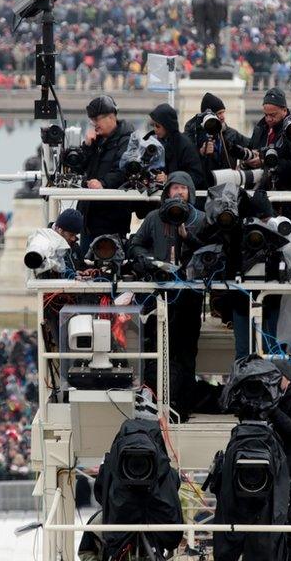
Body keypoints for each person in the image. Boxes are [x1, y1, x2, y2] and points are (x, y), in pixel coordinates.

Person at [126, 172, 205, 418]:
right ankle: (159, 404)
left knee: (186, 353)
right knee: (160, 351)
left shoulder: (200, 219)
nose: (179, 192)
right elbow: (135, 244)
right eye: (175, 188)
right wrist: (149, 262)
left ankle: (183, 407)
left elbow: (209, 250)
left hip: (190, 296)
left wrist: (187, 237)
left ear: (190, 191)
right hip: (160, 295)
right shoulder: (153, 218)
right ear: (167, 192)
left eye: (183, 188)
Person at [77, 95, 135, 248]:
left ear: (111, 117)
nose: (94, 125)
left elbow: (122, 170)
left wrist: (103, 183)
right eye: (92, 121)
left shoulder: (127, 140)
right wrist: (87, 146)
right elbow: (80, 168)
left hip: (112, 218)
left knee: (108, 265)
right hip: (88, 216)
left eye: (97, 120)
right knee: (86, 265)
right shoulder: (98, 140)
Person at [184, 92, 249, 188]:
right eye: (219, 113)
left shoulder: (231, 134)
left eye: (223, 112)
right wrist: (200, 152)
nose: (223, 117)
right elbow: (185, 158)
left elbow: (251, 144)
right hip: (202, 189)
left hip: (227, 189)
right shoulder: (193, 134)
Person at [148, 103, 205, 190]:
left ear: (167, 126)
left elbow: (196, 176)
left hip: (180, 198)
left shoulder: (185, 145)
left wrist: (169, 178)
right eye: (153, 125)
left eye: (158, 126)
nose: (155, 129)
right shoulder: (157, 142)